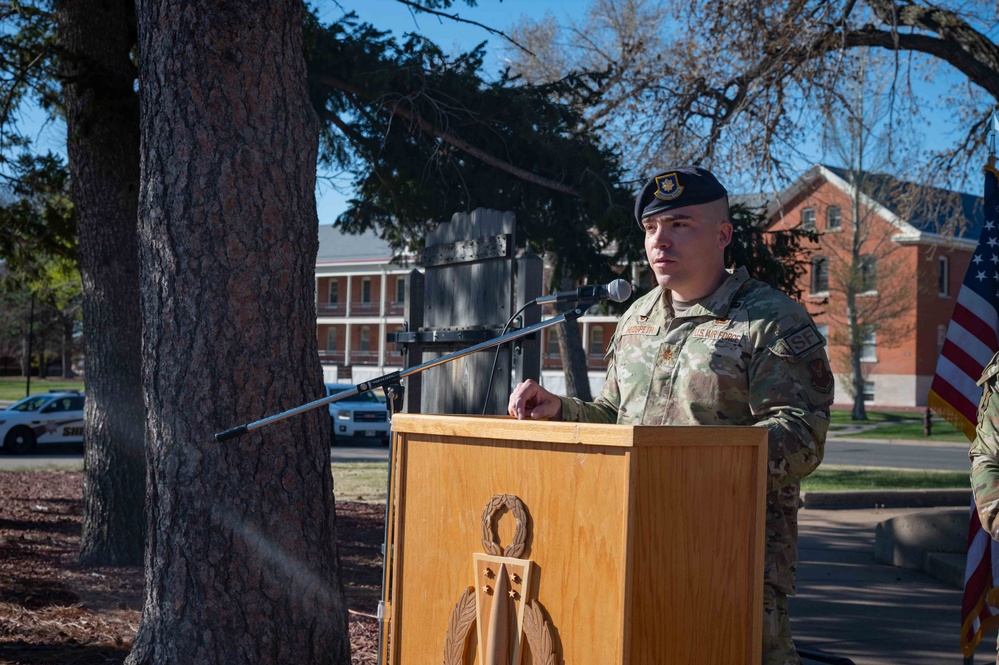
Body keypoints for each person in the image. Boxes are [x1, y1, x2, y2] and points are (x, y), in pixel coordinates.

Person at [508, 166, 833, 665]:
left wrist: (690, 466)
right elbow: (614, 415)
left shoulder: (770, 319)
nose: (661, 240)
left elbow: (800, 432)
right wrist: (563, 411)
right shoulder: (637, 318)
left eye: (680, 224)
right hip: (627, 543)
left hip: (729, 557)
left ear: (723, 235)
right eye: (652, 228)